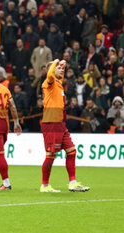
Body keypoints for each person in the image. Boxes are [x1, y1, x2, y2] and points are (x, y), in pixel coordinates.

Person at [40, 59, 90, 192]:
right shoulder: (48, 82)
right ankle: (44, 185)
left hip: (60, 123)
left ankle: (72, 183)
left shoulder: (58, 83)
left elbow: (58, 72)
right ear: (51, 70)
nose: (61, 70)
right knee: (50, 155)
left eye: (61, 68)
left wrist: (61, 64)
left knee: (72, 151)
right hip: (51, 122)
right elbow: (50, 73)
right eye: (58, 68)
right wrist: (55, 62)